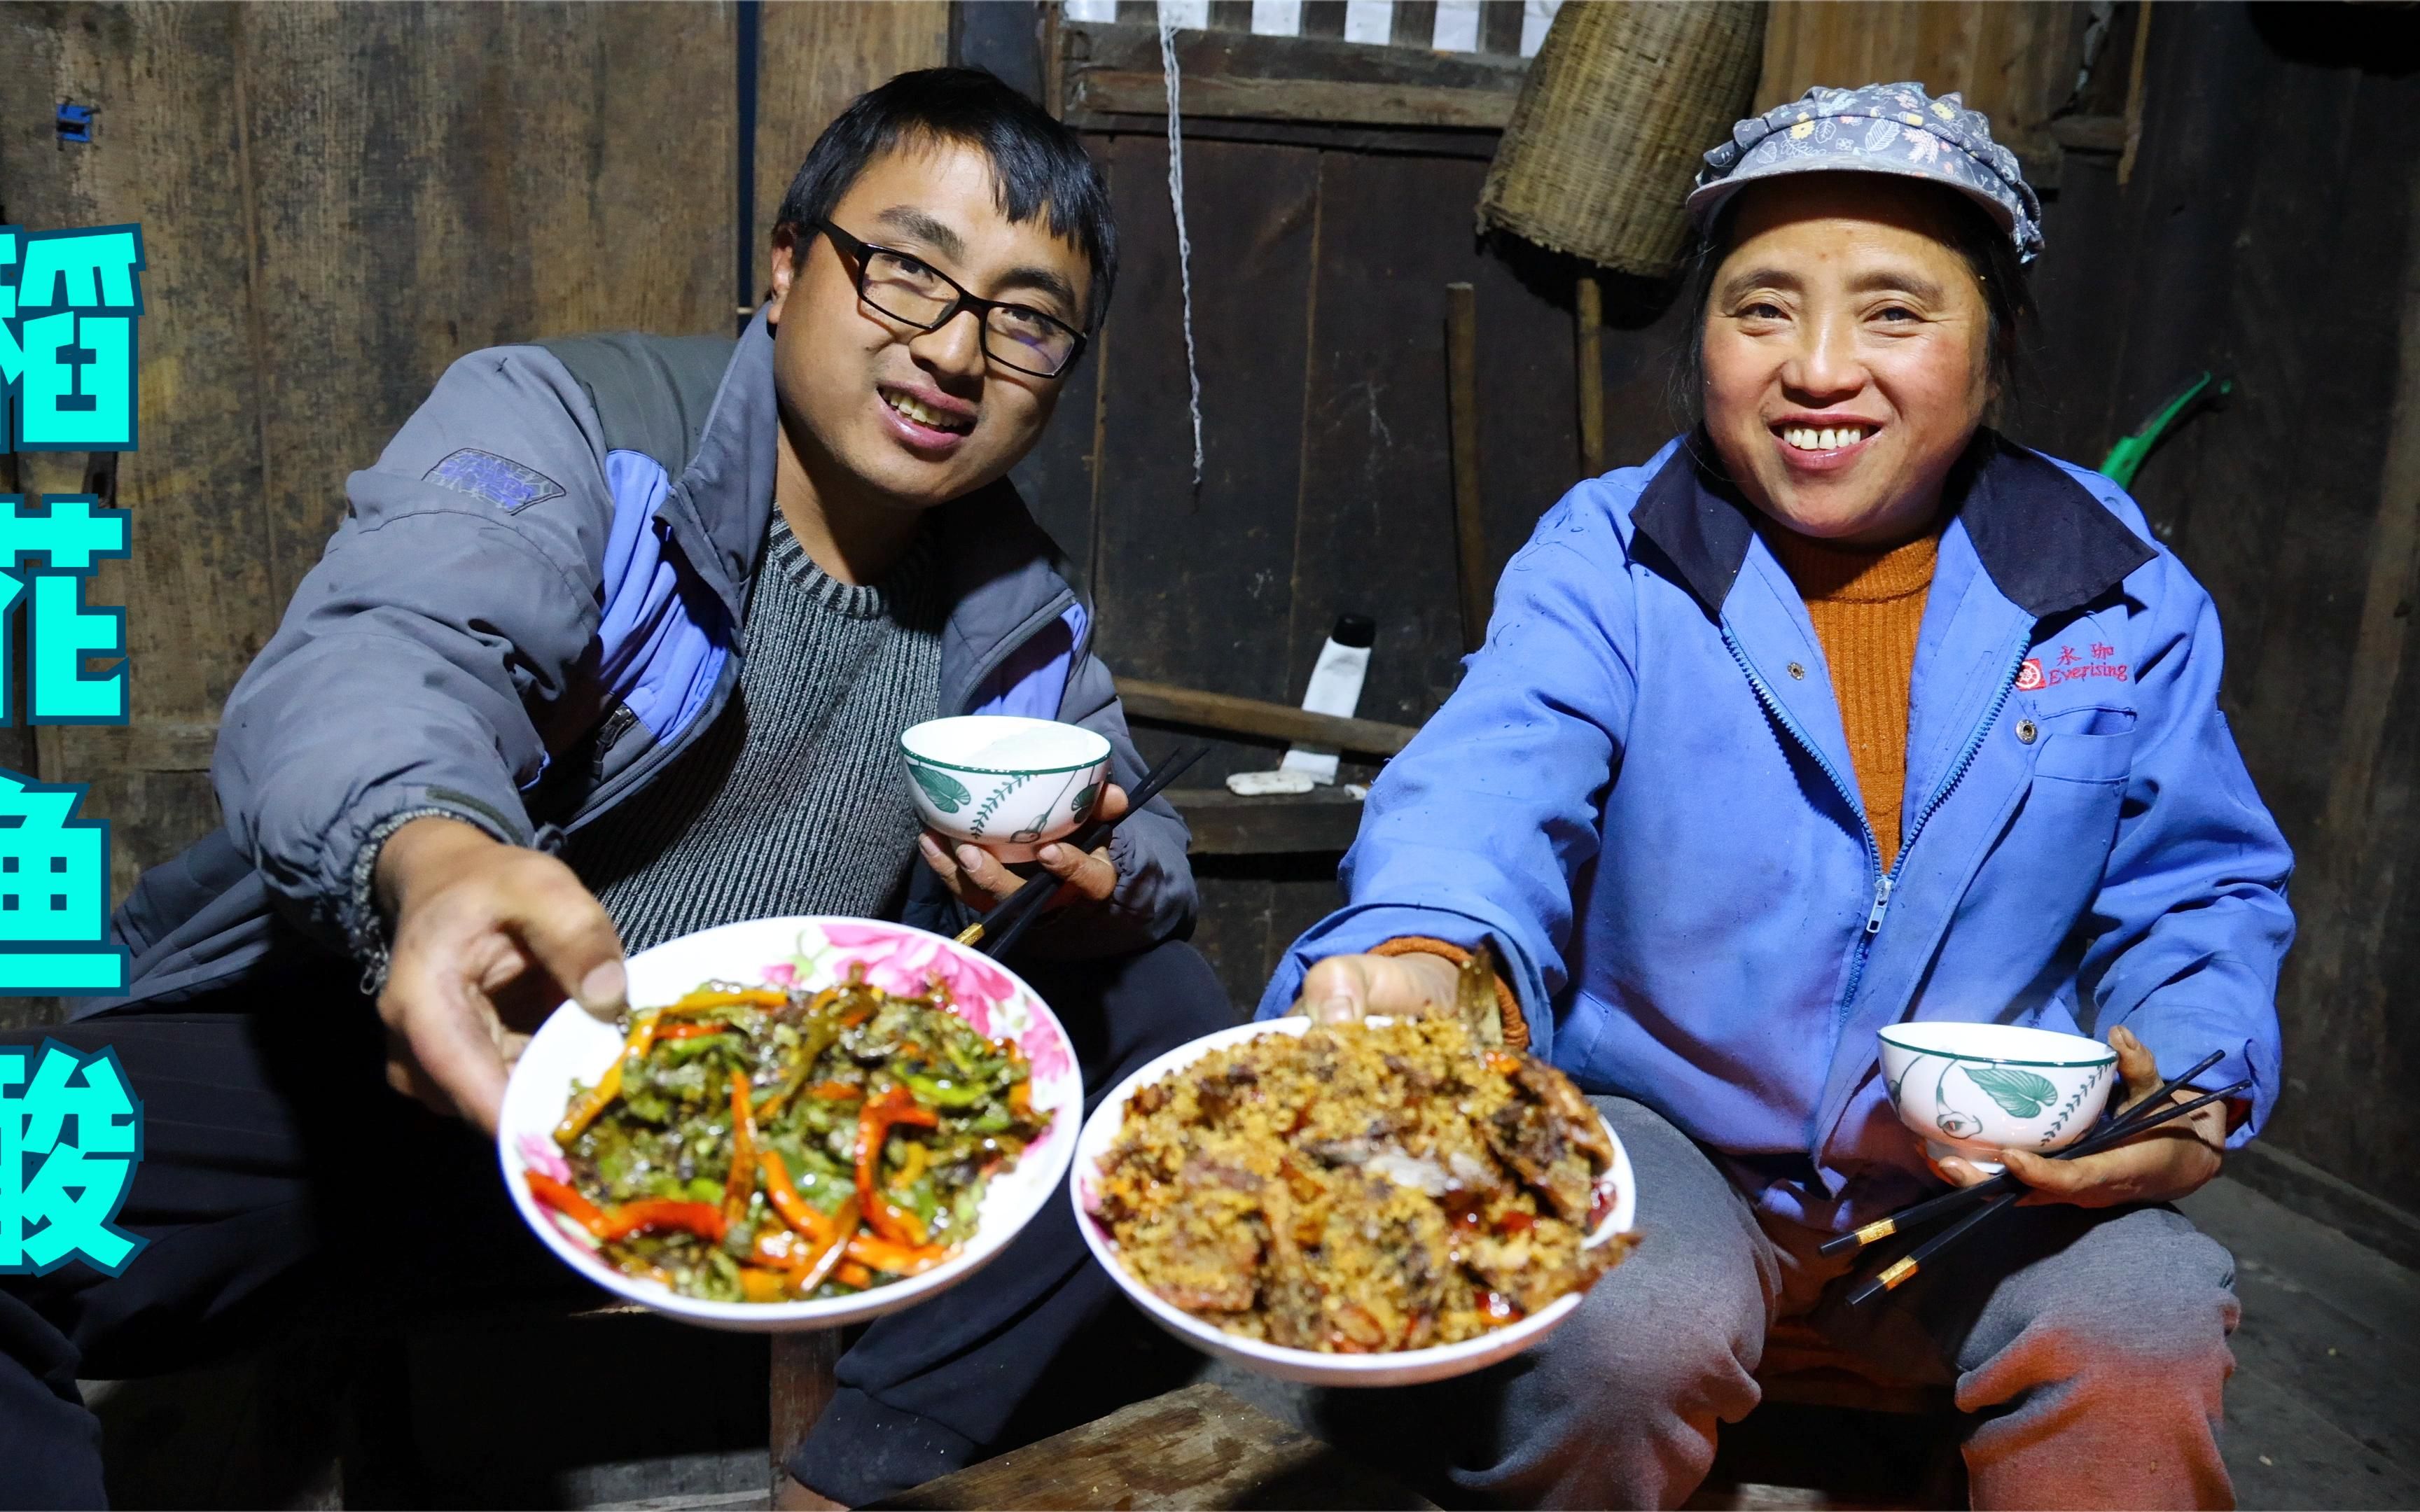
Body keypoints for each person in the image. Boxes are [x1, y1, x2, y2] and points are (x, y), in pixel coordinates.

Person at [0, 68, 1231, 1508]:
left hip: (773, 1137)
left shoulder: (1017, 606)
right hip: (429, 1085)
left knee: (1165, 1021)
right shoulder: (576, 428)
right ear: (788, 266)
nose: (955, 352)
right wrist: (434, 858)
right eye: (909, 272)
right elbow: (394, 640)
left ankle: (864, 1478)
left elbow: (1142, 824)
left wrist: (1094, 880)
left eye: (1024, 320)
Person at [1263, 84, 2290, 1509]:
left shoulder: (2116, 592)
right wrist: (1425, 952)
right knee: (1627, 1324)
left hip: (1980, 1185)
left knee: (2142, 1323)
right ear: (1703, 346)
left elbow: (2200, 889)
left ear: (1992, 355)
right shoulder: (1617, 557)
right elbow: (1490, 785)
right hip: (1671, 1142)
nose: (1818, 367)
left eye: (1893, 312)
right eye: (1760, 309)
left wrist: (2186, 1088)